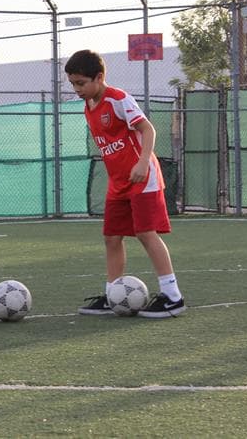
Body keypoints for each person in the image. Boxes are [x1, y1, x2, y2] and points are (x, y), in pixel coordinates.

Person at [64, 49, 185, 318]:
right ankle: (113, 294)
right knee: (111, 237)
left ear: (99, 77)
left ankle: (173, 296)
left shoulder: (118, 99)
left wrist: (142, 163)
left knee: (145, 233)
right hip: (118, 182)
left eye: (81, 83)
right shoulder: (88, 107)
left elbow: (147, 129)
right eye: (72, 83)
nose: (76, 89)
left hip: (142, 178)